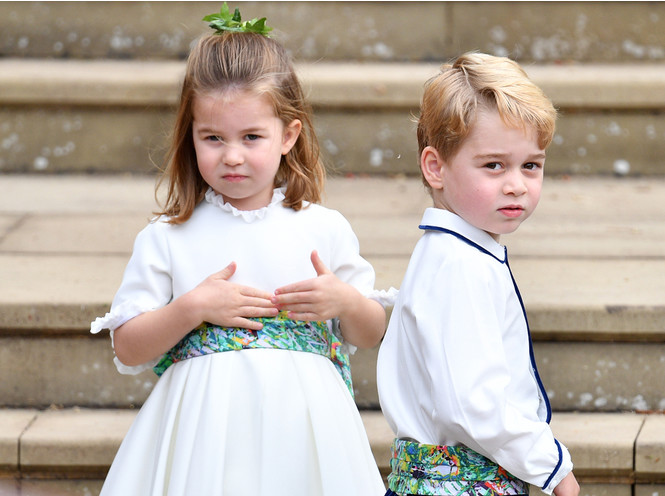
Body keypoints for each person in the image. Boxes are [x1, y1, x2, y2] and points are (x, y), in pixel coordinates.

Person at [90, 5, 386, 494]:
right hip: (203, 439)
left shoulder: (322, 227)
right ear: (191, 135)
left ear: (288, 135)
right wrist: (192, 307)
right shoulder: (169, 236)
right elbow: (128, 346)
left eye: (252, 137)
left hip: (305, 435)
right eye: (213, 138)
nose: (231, 155)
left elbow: (371, 332)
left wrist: (347, 302)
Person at [376, 52, 580, 496]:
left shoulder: (455, 253)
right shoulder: (460, 265)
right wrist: (553, 467)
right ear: (436, 168)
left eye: (531, 165)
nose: (516, 184)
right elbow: (473, 403)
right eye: (494, 165)